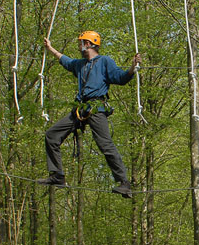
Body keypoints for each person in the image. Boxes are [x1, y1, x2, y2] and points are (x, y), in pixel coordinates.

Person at [36, 30, 141, 198]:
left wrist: (132, 67)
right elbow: (65, 60)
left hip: (96, 108)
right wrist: (50, 49)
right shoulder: (80, 64)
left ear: (88, 44)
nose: (79, 46)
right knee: (52, 135)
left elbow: (120, 78)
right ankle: (57, 175)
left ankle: (124, 183)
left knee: (105, 144)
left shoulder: (104, 61)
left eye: (81, 43)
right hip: (80, 109)